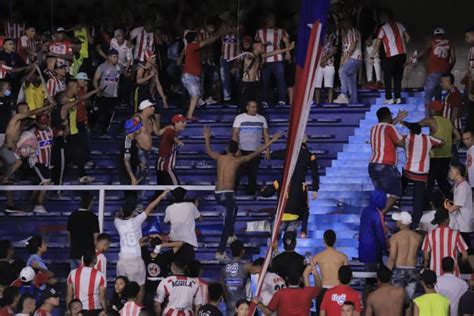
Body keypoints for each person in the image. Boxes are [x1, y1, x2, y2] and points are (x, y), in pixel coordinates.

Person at [203, 126, 280, 261]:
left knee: (235, 209)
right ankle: (220, 251)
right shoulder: (237, 160)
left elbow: (209, 151)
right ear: (236, 151)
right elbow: (257, 152)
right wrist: (272, 140)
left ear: (227, 149)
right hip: (227, 194)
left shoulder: (219, 157)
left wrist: (207, 138)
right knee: (227, 223)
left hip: (217, 194)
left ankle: (231, 235)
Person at [114, 190, 169, 304]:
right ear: (133, 212)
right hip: (136, 259)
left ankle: (123, 309)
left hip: (123, 260)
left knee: (122, 286)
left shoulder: (117, 222)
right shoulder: (136, 221)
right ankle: (137, 309)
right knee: (140, 286)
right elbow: (150, 207)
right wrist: (162, 195)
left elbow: (118, 215)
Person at [261, 134, 319, 237]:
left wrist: (269, 153)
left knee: (274, 238)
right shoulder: (310, 155)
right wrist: (315, 189)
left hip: (281, 215)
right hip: (295, 212)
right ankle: (302, 233)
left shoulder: (280, 181)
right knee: (304, 210)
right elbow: (315, 173)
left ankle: (273, 249)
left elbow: (267, 193)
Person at [400, 122, 442, 227]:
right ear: (421, 130)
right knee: (418, 200)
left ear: (411, 131)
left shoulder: (407, 138)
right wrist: (430, 148)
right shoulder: (428, 139)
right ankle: (416, 224)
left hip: (408, 172)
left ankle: (397, 199)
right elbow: (442, 142)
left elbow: (396, 141)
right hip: (421, 174)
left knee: (401, 181)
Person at [181, 27, 227, 120]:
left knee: (195, 96)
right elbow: (207, 42)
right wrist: (219, 34)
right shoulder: (191, 46)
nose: (198, 38)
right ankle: (189, 115)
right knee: (195, 95)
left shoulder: (193, 48)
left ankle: (189, 113)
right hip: (189, 76)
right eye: (196, 37)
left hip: (193, 76)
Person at [368, 107, 408, 213]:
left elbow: (387, 127)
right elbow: (402, 143)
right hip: (385, 166)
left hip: (373, 166)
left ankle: (377, 216)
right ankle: (380, 214)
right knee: (396, 193)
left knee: (381, 195)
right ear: (388, 116)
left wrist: (397, 119)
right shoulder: (390, 128)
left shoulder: (374, 128)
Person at [419, 100, 460, 199]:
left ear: (433, 110)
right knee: (443, 182)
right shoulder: (448, 121)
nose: (428, 109)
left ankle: (425, 206)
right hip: (446, 157)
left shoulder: (431, 120)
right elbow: (458, 137)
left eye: (430, 108)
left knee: (429, 182)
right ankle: (453, 200)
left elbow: (416, 125)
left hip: (434, 157)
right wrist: (450, 143)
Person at [370, 9, 410, 104]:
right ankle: (398, 97)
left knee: (388, 77)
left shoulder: (383, 28)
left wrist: (372, 57)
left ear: (385, 17)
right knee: (398, 77)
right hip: (402, 54)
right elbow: (408, 38)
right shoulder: (400, 25)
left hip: (391, 55)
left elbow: (377, 44)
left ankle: (389, 98)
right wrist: (402, 46)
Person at [232, 100, 270, 195]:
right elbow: (235, 134)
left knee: (252, 174)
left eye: (256, 107)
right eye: (252, 107)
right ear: (247, 107)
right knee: (237, 174)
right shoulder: (239, 118)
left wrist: (267, 149)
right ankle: (232, 193)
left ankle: (250, 194)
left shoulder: (261, 119)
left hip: (256, 151)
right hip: (241, 151)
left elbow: (265, 134)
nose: (254, 109)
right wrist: (236, 149)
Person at [254, 263, 320, 316]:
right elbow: (319, 288)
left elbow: (267, 312)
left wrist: (258, 303)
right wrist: (315, 272)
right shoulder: (307, 292)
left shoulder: (279, 293)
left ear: (287, 279)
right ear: (300, 279)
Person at [412, 28, 456, 107]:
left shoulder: (432, 42)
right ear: (443, 35)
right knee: (438, 96)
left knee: (428, 95)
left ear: (435, 35)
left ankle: (428, 117)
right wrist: (448, 71)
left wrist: (414, 57)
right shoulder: (449, 43)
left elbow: (423, 51)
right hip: (444, 73)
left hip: (433, 72)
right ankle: (437, 116)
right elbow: (453, 60)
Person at [255, 13, 291, 107]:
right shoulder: (260, 31)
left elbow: (286, 40)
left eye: (273, 19)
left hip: (278, 59)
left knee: (280, 80)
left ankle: (282, 100)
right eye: (270, 19)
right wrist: (264, 45)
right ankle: (264, 100)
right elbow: (256, 45)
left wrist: (287, 52)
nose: (272, 21)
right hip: (265, 60)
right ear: (266, 20)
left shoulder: (280, 30)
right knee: (265, 81)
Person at [387, 211, 421, 306]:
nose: (396, 222)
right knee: (409, 301)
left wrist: (386, 274)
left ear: (401, 223)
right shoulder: (418, 237)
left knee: (396, 301)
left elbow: (392, 258)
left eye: (397, 221)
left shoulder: (395, 237)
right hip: (413, 270)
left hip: (399, 270)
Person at [310, 230, 349, 313]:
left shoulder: (318, 257)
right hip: (338, 292)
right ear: (335, 240)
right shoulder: (343, 257)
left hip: (323, 291)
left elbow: (306, 272)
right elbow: (346, 277)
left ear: (324, 240)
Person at [422, 209, 469, 276]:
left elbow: (426, 258)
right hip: (453, 275)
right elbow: (465, 256)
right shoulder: (456, 234)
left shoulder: (429, 235)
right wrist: (457, 263)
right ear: (448, 219)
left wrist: (425, 267)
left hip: (435, 275)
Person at [445, 164, 473, 261]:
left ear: (457, 173)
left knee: (466, 248)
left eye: (451, 171)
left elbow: (456, 206)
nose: (449, 173)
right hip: (459, 222)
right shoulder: (457, 185)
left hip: (463, 223)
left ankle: (469, 268)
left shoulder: (463, 187)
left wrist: (447, 209)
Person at [93, 48, 124, 135]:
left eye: (117, 57)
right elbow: (95, 79)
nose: (116, 59)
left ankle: (105, 132)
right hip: (103, 95)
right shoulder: (102, 67)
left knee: (109, 115)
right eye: (114, 57)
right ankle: (97, 131)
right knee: (101, 114)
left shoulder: (119, 67)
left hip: (113, 97)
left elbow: (126, 74)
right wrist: (97, 90)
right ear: (109, 57)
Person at [67, 191, 100, 270]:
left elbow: (69, 234)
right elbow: (96, 237)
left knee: (74, 278)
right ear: (90, 202)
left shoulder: (72, 215)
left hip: (74, 252)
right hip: (87, 255)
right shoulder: (93, 217)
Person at [334, 20, 362, 105]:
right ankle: (354, 101)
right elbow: (343, 53)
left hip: (354, 58)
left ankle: (344, 95)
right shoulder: (344, 39)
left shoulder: (352, 31)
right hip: (351, 59)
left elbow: (353, 44)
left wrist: (347, 57)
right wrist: (340, 66)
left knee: (344, 71)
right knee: (351, 80)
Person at [220, 240, 252, 315]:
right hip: (242, 307)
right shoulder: (246, 267)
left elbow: (223, 289)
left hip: (230, 304)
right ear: (242, 251)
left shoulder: (224, 268)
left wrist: (227, 301)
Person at [156, 114, 186, 192]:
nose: (184, 124)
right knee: (177, 189)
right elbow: (173, 137)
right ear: (175, 123)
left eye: (184, 122)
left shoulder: (170, 130)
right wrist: (179, 142)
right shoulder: (170, 131)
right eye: (181, 122)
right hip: (166, 166)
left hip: (162, 165)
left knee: (159, 191)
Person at [120, 117, 143, 206]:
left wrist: (139, 163)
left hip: (132, 173)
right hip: (126, 175)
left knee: (134, 198)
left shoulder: (133, 141)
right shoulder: (127, 142)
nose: (141, 128)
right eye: (139, 127)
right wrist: (132, 177)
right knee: (131, 200)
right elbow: (126, 161)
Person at [315, 20, 338, 105]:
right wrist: (320, 60)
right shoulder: (318, 37)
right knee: (317, 86)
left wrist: (325, 59)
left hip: (330, 63)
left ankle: (329, 102)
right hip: (318, 63)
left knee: (329, 86)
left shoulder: (334, 36)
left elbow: (335, 50)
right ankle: (317, 102)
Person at [462, 28, 474, 131]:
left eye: (467, 37)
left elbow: (472, 73)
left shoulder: (472, 50)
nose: (466, 39)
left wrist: (470, 91)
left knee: (471, 111)